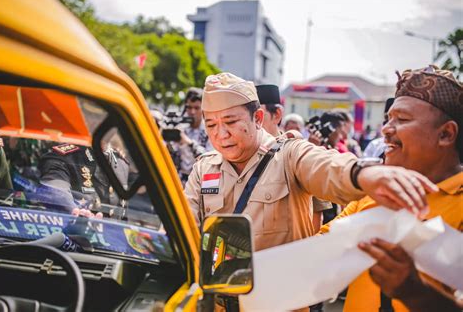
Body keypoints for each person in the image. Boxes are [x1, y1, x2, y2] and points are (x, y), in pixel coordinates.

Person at [185, 72, 437, 254]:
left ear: (258, 117)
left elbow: (326, 167)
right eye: (211, 125)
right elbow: (184, 225)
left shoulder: (289, 155)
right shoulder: (203, 168)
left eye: (230, 122)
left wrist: (364, 174)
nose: (220, 134)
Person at [319, 65, 462, 311]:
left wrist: (413, 292)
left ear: (446, 134)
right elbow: (320, 253)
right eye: (388, 119)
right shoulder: (374, 193)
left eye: (402, 120)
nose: (386, 129)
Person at [256, 85, 333, 234]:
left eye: (258, 114)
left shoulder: (296, 153)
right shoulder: (239, 154)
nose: (253, 122)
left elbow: (316, 213)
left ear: (277, 114)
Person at [39, 143, 129, 217]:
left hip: (113, 237)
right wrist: (75, 212)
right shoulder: (66, 156)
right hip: (72, 233)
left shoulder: (121, 164)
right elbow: (55, 191)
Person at [167, 88, 212, 185]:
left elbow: (209, 160)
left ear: (203, 109)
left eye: (196, 108)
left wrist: (188, 143)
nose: (192, 112)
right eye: (189, 107)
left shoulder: (210, 130)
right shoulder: (179, 129)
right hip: (179, 183)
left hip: (201, 183)